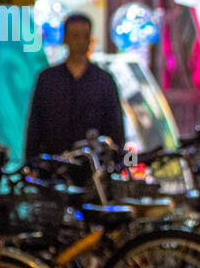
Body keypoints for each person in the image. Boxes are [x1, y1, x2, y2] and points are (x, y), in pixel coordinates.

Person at [24, 13, 126, 162]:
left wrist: (117, 161)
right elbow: (35, 125)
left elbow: (116, 129)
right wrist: (32, 162)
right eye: (75, 36)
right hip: (53, 169)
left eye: (85, 36)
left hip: (94, 169)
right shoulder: (48, 79)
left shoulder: (104, 80)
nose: (80, 42)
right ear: (65, 38)